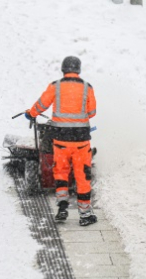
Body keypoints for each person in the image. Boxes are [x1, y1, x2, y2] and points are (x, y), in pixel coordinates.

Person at [25, 56, 97, 226]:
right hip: (81, 141)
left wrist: (30, 113)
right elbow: (92, 112)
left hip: (61, 141)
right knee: (82, 175)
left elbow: (41, 105)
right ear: (78, 69)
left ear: (63, 69)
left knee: (61, 172)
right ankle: (85, 215)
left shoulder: (55, 86)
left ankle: (62, 207)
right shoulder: (87, 87)